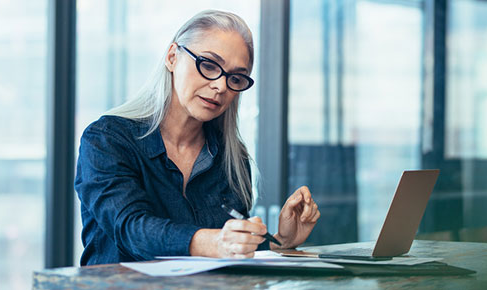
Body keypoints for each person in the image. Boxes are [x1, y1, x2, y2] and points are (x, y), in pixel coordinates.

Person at [75, 10, 320, 265]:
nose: (221, 86)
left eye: (235, 77)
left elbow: (231, 249)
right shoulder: (107, 140)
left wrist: (281, 240)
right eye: (209, 65)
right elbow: (130, 228)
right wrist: (213, 243)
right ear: (172, 57)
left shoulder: (231, 158)